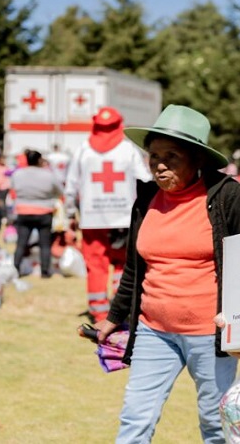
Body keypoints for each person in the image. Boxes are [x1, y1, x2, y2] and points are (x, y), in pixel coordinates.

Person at [94, 105, 240, 443]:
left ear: (197, 159)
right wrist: (113, 318)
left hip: (211, 335)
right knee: (135, 418)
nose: (159, 164)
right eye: (154, 155)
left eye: (172, 156)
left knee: (216, 424)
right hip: (153, 331)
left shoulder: (228, 196)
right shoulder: (146, 199)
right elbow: (134, 268)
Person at [64, 107, 152, 323]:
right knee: (124, 264)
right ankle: (121, 309)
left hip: (92, 220)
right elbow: (145, 179)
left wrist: (69, 214)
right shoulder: (128, 149)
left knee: (96, 266)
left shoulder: (83, 150)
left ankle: (99, 312)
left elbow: (71, 186)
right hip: (124, 219)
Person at [10, 150, 63, 278]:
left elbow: (13, 189)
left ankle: (15, 269)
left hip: (23, 211)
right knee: (45, 244)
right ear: (39, 160)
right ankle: (45, 271)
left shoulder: (18, 174)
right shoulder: (48, 175)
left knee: (21, 243)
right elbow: (59, 191)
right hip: (44, 212)